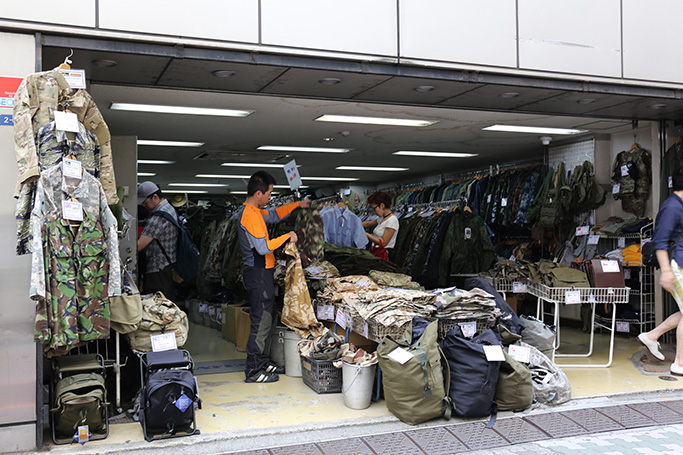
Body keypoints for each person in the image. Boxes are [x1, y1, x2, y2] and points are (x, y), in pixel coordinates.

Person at [237, 171, 311, 383]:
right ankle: (253, 370)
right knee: (261, 321)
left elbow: (276, 214)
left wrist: (297, 205)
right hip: (258, 274)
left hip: (263, 274)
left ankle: (261, 362)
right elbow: (262, 247)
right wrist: (287, 236)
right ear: (258, 193)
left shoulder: (256, 211)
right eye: (269, 193)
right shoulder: (250, 215)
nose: (270, 197)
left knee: (268, 319)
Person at [638, 167, 683, 376]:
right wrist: (666, 271)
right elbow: (660, 241)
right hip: (679, 266)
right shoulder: (672, 207)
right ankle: (679, 364)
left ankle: (652, 335)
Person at [137, 181, 178, 301]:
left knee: (156, 307)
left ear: (154, 197)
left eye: (145, 203)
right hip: (166, 267)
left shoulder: (160, 216)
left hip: (158, 269)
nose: (144, 206)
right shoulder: (169, 209)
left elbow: (139, 245)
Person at [362, 191, 399, 261]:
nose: (374, 211)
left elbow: (383, 243)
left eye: (374, 208)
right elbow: (367, 224)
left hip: (385, 256)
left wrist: (366, 234)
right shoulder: (382, 219)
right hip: (377, 253)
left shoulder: (392, 220)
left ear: (382, 205)